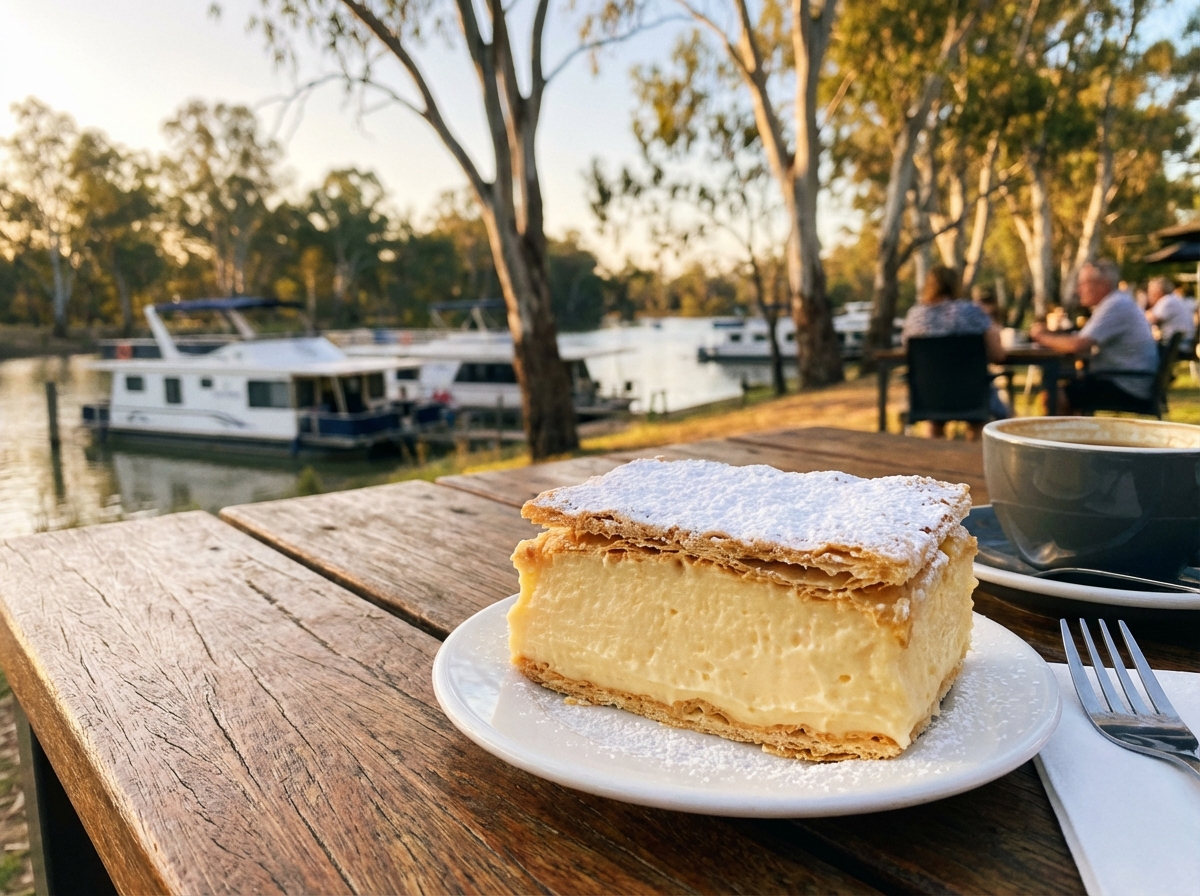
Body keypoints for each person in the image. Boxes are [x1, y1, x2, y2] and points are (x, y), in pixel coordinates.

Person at [1030, 259, 1158, 414]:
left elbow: (1079, 345)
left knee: (1051, 396)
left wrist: (1040, 335)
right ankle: (1072, 437)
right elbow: (1083, 343)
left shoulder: (1115, 305)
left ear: (1103, 284)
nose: (1077, 290)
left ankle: (1056, 438)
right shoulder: (1117, 302)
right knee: (1068, 390)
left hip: (1128, 385)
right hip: (1130, 381)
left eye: (1083, 284)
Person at [902, 265, 1006, 439]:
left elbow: (909, 354)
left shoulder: (914, 316)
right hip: (972, 395)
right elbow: (998, 355)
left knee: (935, 418)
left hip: (929, 396)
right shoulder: (972, 312)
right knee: (981, 416)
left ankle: (933, 456)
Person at [1146, 276, 1197, 349]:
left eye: (1150, 292)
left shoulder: (1167, 301)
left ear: (1158, 291)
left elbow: (1148, 320)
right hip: (1183, 344)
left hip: (1177, 348)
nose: (1149, 296)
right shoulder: (1175, 298)